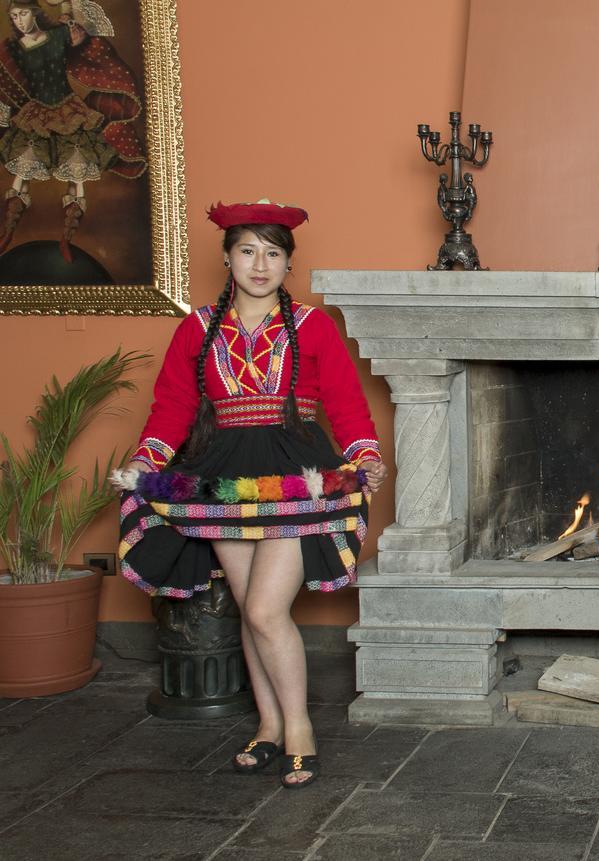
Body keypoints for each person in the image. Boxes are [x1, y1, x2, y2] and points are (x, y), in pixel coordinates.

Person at [111, 199, 388, 790]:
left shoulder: (312, 327)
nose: (260, 265)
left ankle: (300, 730)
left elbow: (344, 400)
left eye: (273, 253)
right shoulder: (195, 326)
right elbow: (173, 408)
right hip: (222, 478)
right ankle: (267, 726)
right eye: (248, 251)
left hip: (291, 475)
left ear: (288, 263)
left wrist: (364, 452)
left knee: (265, 610)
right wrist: (148, 458)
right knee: (249, 611)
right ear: (228, 257)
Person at [0, 0, 146, 258]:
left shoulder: (60, 35)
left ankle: (66, 240)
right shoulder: (14, 49)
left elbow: (77, 29)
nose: (19, 20)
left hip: (70, 111)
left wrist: (68, 9)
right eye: (14, 16)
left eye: (23, 13)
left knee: (77, 175)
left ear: (35, 13)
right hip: (35, 114)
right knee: (22, 172)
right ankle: (7, 233)